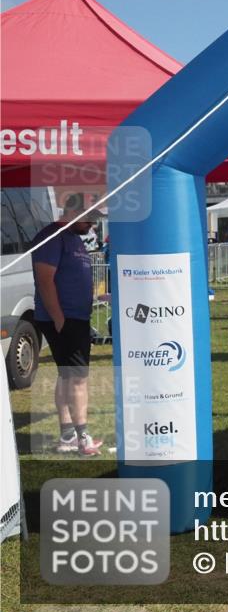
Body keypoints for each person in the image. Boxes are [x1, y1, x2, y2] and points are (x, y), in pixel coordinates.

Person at [31, 193, 103, 456]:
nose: (92, 225)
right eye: (90, 219)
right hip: (65, 319)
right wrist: (60, 320)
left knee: (66, 376)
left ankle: (68, 436)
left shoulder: (73, 237)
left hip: (74, 318)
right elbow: (45, 280)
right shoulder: (52, 236)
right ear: (74, 212)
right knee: (78, 378)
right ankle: (83, 437)